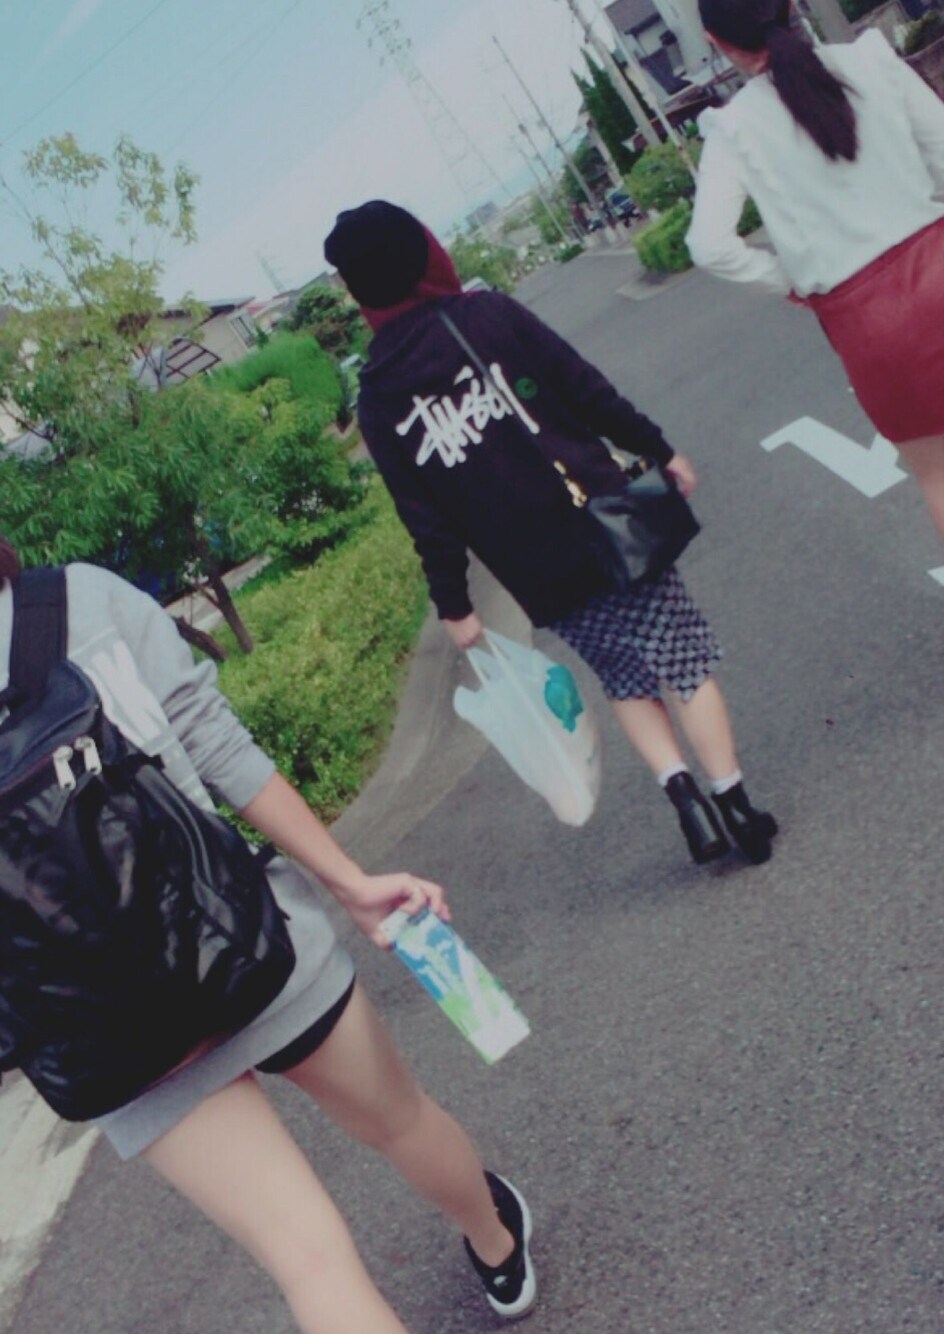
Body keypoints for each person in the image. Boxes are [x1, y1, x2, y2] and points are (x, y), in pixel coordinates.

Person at [0, 538, 535, 1333]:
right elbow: (213, 742)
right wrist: (349, 882)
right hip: (243, 932)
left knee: (310, 1263)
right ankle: (497, 1246)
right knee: (402, 1121)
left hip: (105, 1033)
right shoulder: (79, 598)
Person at [323, 201, 777, 867]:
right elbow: (585, 391)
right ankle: (734, 802)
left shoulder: (378, 398)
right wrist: (656, 448)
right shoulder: (486, 316)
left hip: (536, 569)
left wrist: (454, 604)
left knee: (623, 676)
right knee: (683, 661)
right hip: (605, 524)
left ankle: (686, 803)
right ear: (420, 254)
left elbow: (423, 515)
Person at [685, 0, 944, 663]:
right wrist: (913, 199)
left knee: (940, 476)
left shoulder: (732, 128)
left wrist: (791, 280)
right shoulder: (868, 61)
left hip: (863, 313)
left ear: (717, 42)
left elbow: (709, 245)